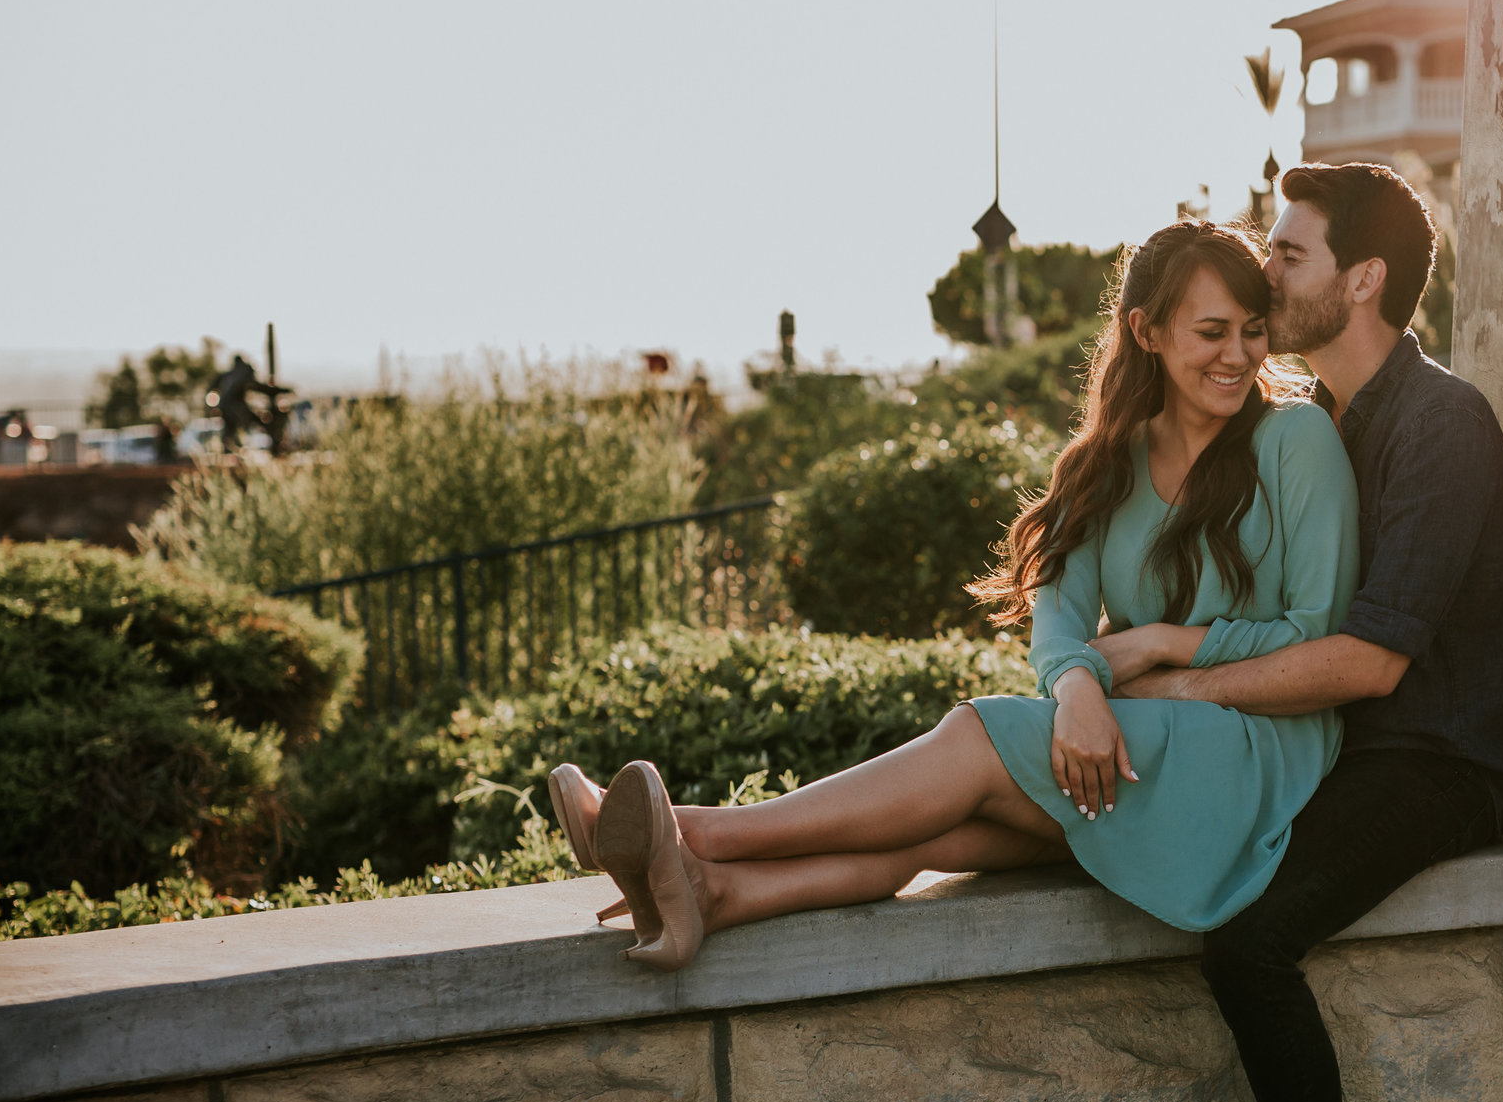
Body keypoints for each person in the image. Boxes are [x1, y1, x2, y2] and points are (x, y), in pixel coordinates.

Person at [545, 217, 1360, 971]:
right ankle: (713, 897)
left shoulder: (1295, 437)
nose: (1240, 355)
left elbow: (1317, 631)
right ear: (1146, 332)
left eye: (1253, 331)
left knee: (977, 736)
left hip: (1264, 757)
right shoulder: (1106, 462)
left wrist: (1159, 642)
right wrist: (1075, 684)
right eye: (1212, 332)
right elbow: (1060, 619)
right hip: (1144, 744)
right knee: (944, 829)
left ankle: (689, 831)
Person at [1111, 163, 1503, 1102]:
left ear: (1362, 280)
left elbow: (1367, 659)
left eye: (1289, 256)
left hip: (1441, 760)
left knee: (1249, 942)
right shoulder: (1324, 417)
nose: (1266, 270)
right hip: (1345, 740)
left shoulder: (1439, 422)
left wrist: (1182, 688)